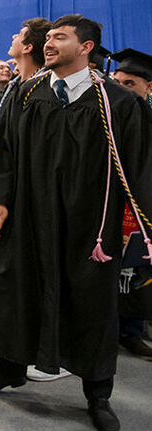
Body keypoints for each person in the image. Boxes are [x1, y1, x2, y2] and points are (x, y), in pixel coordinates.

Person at [0, 15, 152, 431]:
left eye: (59, 38)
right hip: (28, 215)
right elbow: (6, 151)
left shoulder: (117, 103)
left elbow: (137, 166)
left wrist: (135, 224)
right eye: (47, 38)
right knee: (16, 289)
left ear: (86, 47)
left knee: (90, 304)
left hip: (89, 224)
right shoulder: (27, 94)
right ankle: (8, 367)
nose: (48, 44)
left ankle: (98, 393)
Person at [109, 48, 152, 361]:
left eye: (130, 84)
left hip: (142, 203)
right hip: (107, 203)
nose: (122, 89)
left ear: (148, 87)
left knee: (138, 267)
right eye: (117, 81)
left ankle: (132, 331)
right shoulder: (102, 114)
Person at [0, 18, 51, 110]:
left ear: (27, 48)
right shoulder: (13, 86)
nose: (14, 36)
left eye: (19, 35)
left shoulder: (42, 90)